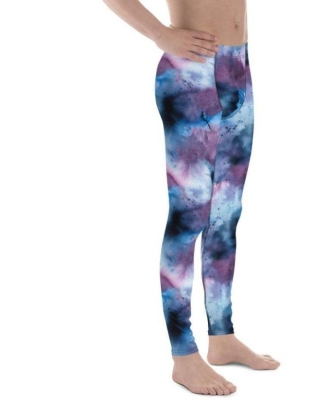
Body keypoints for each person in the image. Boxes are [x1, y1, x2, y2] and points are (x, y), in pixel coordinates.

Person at [102, 0, 280, 395]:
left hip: (238, 67)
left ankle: (222, 337)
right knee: (189, 218)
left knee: (224, 216)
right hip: (192, 71)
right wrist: (159, 34)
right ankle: (183, 356)